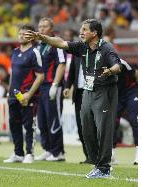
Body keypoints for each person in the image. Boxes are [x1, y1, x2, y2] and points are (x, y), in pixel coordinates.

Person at [25, 18, 121, 178]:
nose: (81, 32)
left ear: (94, 33)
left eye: (85, 30)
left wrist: (110, 71)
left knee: (103, 130)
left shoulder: (106, 48)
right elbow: (61, 43)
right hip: (88, 92)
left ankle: (104, 167)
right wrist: (42, 37)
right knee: (86, 129)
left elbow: (117, 65)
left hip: (105, 91)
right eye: (81, 29)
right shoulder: (82, 46)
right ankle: (97, 163)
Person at [3, 24, 44, 164]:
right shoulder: (14, 52)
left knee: (28, 125)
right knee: (14, 124)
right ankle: (18, 153)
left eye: (24, 34)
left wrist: (29, 94)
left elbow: (40, 76)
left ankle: (29, 154)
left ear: (31, 36)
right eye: (19, 33)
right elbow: (13, 74)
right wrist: (9, 92)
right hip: (13, 96)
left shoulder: (35, 52)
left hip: (28, 95)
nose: (21, 36)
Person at [33, 18, 66, 162]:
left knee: (53, 119)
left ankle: (58, 152)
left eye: (45, 26)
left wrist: (55, 84)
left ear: (51, 29)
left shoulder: (56, 42)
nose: (41, 29)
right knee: (42, 120)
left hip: (52, 85)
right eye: (39, 26)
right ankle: (48, 149)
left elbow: (62, 64)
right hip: (41, 87)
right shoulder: (40, 45)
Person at [103, 32, 138, 165]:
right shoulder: (97, 63)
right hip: (116, 95)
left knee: (135, 119)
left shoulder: (121, 62)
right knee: (111, 122)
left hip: (131, 91)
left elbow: (135, 74)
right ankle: (111, 155)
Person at [62, 29, 92, 164]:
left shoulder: (95, 51)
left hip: (92, 92)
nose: (82, 35)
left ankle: (97, 156)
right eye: (80, 34)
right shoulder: (77, 52)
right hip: (78, 93)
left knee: (92, 125)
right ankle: (88, 156)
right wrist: (67, 87)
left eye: (84, 33)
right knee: (81, 126)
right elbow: (72, 72)